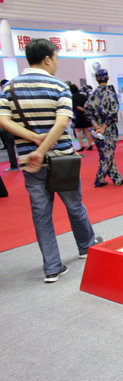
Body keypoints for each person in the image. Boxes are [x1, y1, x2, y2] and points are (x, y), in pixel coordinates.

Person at [0, 38, 101, 283]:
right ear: (47, 59)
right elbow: (62, 122)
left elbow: (3, 119)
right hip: (62, 158)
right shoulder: (58, 86)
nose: (56, 63)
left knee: (41, 214)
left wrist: (34, 141)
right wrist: (43, 147)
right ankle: (86, 245)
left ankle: (52, 267)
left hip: (30, 162)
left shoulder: (9, 88)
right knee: (74, 205)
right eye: (56, 58)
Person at [85, 69, 123, 187]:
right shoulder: (111, 94)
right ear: (107, 78)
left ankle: (116, 178)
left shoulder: (92, 96)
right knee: (107, 155)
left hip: (97, 129)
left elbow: (87, 112)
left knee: (105, 154)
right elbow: (113, 113)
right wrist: (104, 127)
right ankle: (99, 178)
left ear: (96, 79)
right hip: (109, 128)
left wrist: (96, 126)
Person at [0, 79, 19, 172]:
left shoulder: (3, 96)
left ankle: (14, 165)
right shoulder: (13, 95)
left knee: (10, 145)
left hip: (7, 125)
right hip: (14, 123)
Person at [70, 84, 95, 150]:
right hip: (86, 115)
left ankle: (81, 145)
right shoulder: (83, 96)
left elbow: (77, 106)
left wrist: (82, 109)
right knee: (86, 130)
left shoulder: (72, 98)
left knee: (77, 131)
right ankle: (90, 144)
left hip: (78, 115)